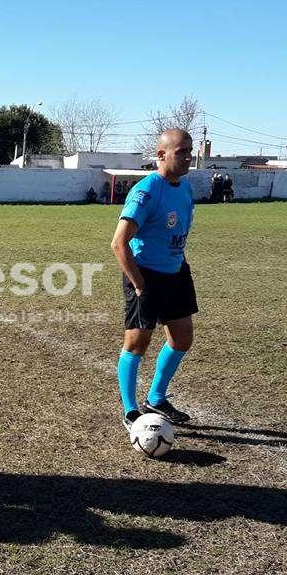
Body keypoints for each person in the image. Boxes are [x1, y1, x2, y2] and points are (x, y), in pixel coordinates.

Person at [110, 129, 197, 439]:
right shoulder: (147, 191)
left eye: (190, 151)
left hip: (176, 272)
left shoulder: (185, 189)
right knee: (137, 343)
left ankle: (157, 399)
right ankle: (131, 410)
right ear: (161, 156)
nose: (188, 156)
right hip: (145, 275)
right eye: (181, 151)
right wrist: (139, 285)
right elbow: (119, 243)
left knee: (182, 337)